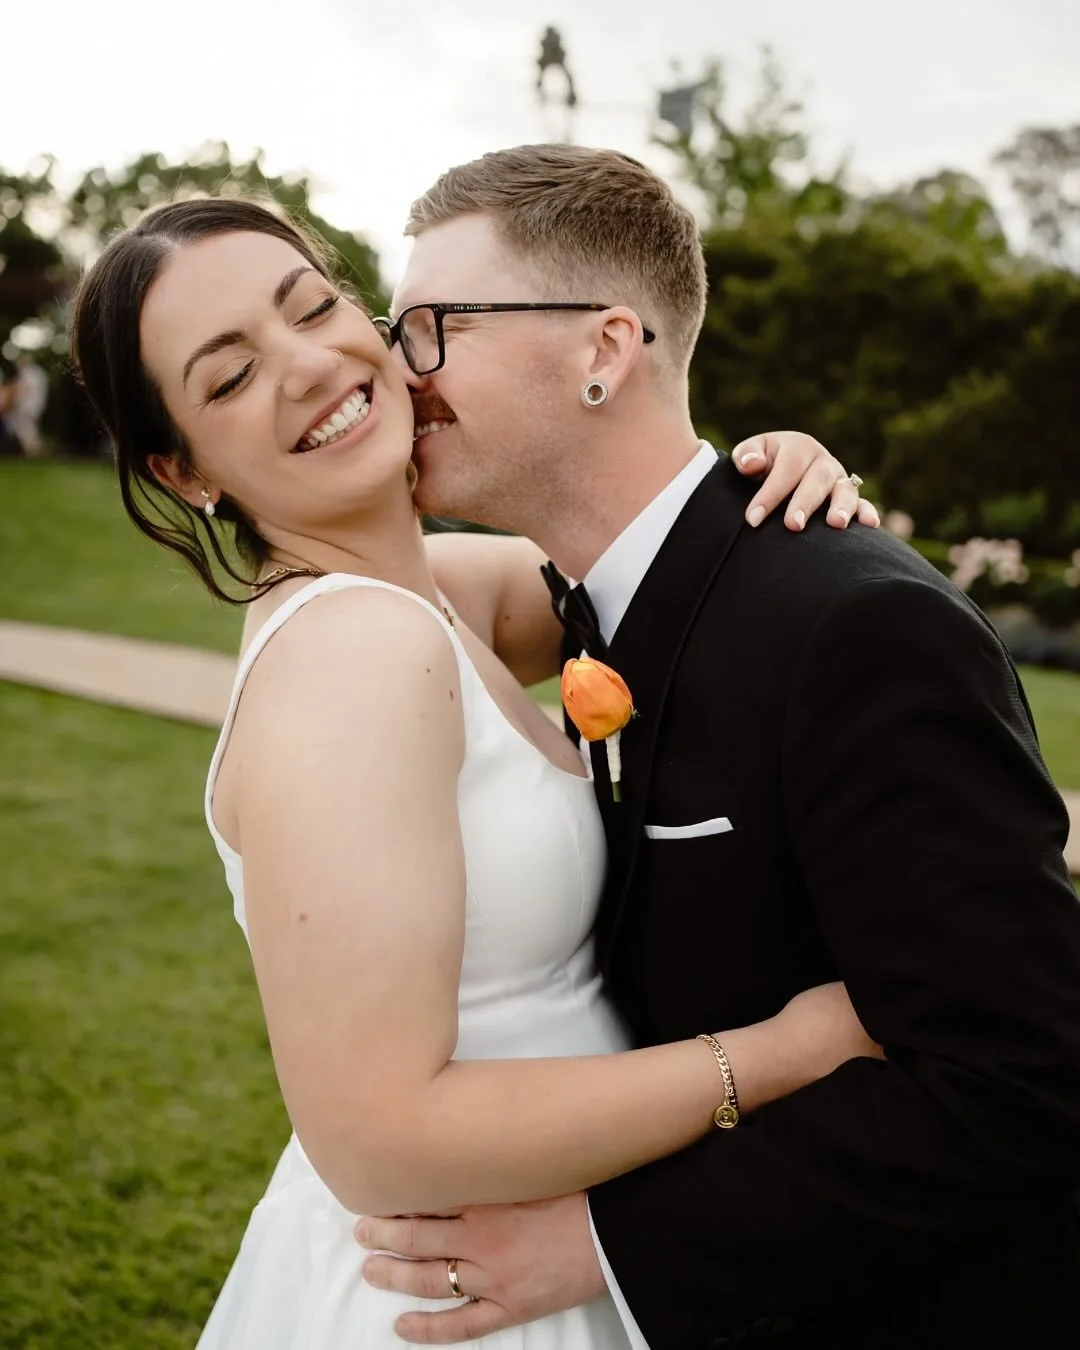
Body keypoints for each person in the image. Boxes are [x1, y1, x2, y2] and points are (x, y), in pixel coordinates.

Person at [69, 197, 881, 1350]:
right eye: (231, 377)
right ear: (185, 471)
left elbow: (641, 544)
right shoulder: (357, 652)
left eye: (311, 307)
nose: (307, 366)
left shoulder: (441, 594)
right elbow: (379, 1133)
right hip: (460, 1291)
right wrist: (781, 1054)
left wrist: (768, 469)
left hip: (558, 1242)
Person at [354, 145, 1080, 1350]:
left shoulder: (859, 627)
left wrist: (601, 1241)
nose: (397, 368)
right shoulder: (598, 596)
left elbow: (1020, 1077)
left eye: (435, 327)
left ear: (603, 349)